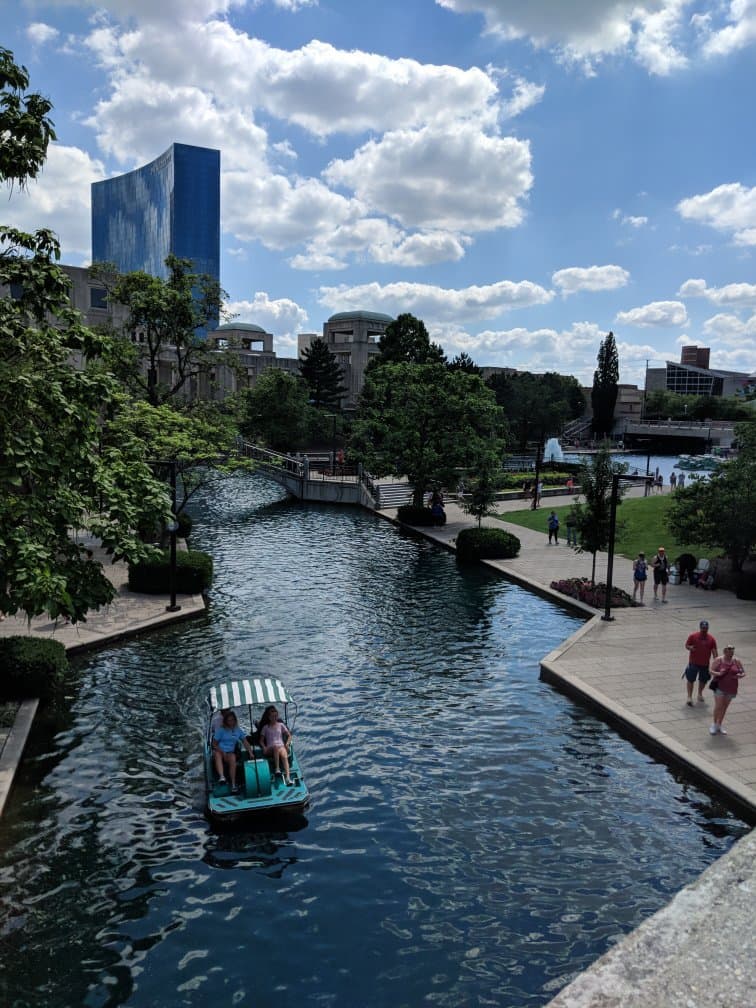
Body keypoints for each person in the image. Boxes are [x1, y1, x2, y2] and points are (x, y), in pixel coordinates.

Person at [213, 710, 254, 794]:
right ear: (226, 721)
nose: (231, 722)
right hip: (220, 751)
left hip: (229, 753)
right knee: (217, 754)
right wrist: (222, 752)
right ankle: (222, 777)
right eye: (229, 720)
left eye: (232, 720)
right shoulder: (221, 730)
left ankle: (233, 784)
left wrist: (250, 752)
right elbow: (214, 744)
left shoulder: (237, 730)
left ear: (235, 720)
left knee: (233, 757)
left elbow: (245, 741)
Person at [709, 645, 745, 735]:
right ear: (725, 652)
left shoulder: (737, 661)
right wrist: (718, 673)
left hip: (731, 688)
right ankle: (714, 724)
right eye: (729, 652)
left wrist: (741, 675)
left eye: (732, 652)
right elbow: (710, 670)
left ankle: (719, 724)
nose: (731, 654)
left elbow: (743, 672)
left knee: (724, 707)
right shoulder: (719, 660)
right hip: (720, 687)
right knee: (718, 706)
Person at [684, 619, 718, 705]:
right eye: (703, 628)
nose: (704, 629)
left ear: (708, 628)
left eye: (706, 628)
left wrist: (716, 660)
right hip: (693, 663)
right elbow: (687, 645)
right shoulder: (693, 636)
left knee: (703, 680)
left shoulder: (711, 639)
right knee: (690, 679)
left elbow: (714, 650)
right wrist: (690, 648)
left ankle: (699, 694)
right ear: (700, 628)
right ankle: (689, 697)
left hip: (705, 664)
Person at [258, 705, 294, 785]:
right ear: (269, 717)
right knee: (275, 747)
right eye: (272, 716)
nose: (274, 718)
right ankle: (277, 769)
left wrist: (287, 744)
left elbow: (289, 735)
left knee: (284, 755)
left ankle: (288, 778)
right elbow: (261, 741)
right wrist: (264, 747)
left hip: (281, 746)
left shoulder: (281, 725)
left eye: (276, 716)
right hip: (270, 748)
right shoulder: (265, 727)